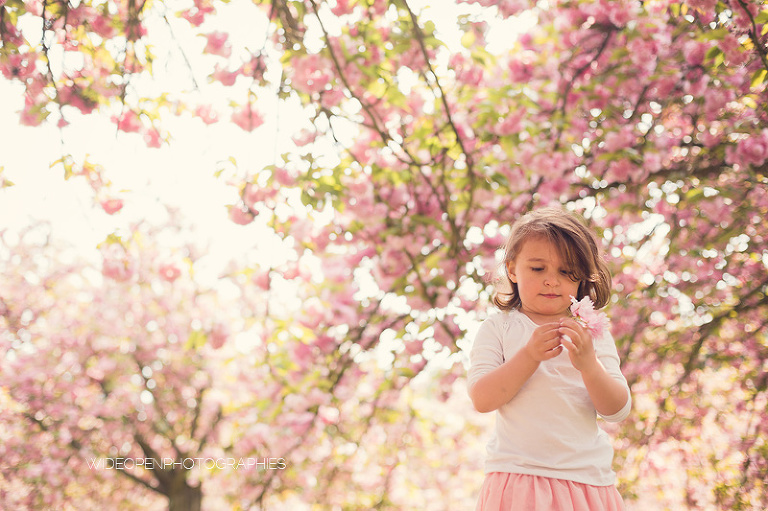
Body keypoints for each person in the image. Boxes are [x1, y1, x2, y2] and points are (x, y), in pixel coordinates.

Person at [467, 206, 631, 511]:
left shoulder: (591, 332)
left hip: (586, 481)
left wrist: (589, 367)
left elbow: (617, 410)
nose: (552, 281)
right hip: (519, 479)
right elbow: (482, 398)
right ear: (513, 269)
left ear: (581, 277)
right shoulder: (498, 328)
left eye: (566, 272)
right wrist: (529, 356)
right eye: (538, 269)